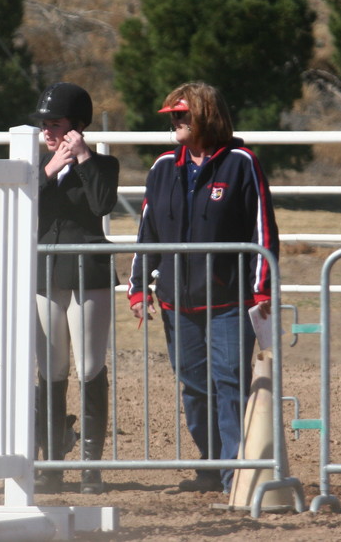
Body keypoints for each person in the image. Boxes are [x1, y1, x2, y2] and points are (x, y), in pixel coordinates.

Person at [127, 81, 279, 495]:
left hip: (230, 302)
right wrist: (139, 289)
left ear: (206, 115)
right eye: (172, 116)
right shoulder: (162, 168)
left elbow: (262, 229)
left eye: (182, 114)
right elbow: (148, 234)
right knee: (194, 389)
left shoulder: (242, 162)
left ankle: (235, 475)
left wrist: (261, 289)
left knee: (230, 385)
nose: (175, 122)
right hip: (178, 304)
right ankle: (210, 464)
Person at [31, 82, 119, 494]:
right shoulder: (35, 167)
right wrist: (49, 170)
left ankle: (90, 464)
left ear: (76, 128)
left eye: (56, 125)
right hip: (47, 272)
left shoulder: (104, 165)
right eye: (44, 125)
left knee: (89, 366)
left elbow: (102, 204)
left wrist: (82, 157)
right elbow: (24, 204)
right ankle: (50, 462)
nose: (48, 131)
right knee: (51, 367)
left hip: (89, 272)